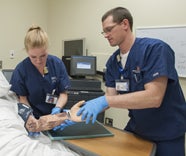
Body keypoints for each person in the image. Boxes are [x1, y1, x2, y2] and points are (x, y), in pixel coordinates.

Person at [57, 7, 186, 156]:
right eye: (103, 32)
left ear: (125, 24)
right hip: (138, 128)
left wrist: (105, 101)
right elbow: (110, 96)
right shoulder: (113, 62)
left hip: (167, 132)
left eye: (109, 29)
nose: (106, 35)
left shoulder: (155, 50)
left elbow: (154, 97)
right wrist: (79, 112)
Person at [10, 25, 71, 120]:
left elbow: (63, 93)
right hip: (33, 117)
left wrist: (57, 109)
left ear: (47, 49)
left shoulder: (57, 64)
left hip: (55, 116)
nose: (38, 61)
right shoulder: (21, 70)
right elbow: (23, 99)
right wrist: (30, 118)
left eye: (43, 56)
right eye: (33, 57)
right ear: (27, 51)